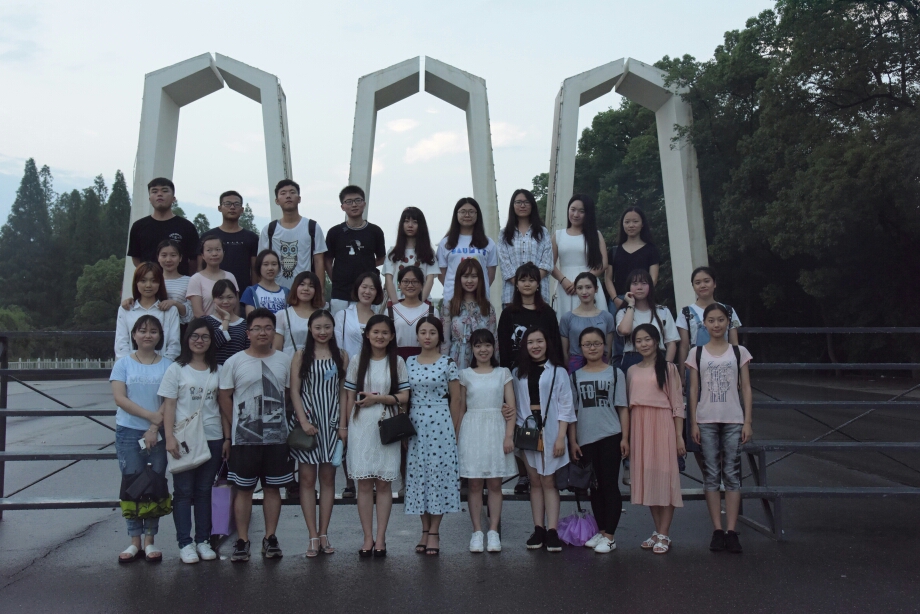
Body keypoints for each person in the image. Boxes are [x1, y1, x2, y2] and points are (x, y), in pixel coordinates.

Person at [218, 308, 294, 562]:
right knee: (243, 490)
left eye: (268, 328)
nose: (263, 333)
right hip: (244, 440)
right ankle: (242, 540)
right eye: (257, 328)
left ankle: (270, 537)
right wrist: (236, 426)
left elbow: (287, 395)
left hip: (277, 439)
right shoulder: (234, 362)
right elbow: (224, 396)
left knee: (273, 489)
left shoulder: (284, 361)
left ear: (274, 332)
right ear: (248, 333)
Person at [686, 304, 753, 554]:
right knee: (712, 475)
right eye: (711, 320)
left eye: (721, 320)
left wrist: (748, 421)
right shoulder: (696, 352)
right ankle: (717, 529)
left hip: (733, 419)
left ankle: (732, 531)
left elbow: (746, 387)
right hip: (706, 419)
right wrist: (693, 421)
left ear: (728, 322)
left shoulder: (739, 351)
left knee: (732, 475)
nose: (716, 325)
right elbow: (693, 389)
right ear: (704, 324)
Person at [341, 315, 411, 558]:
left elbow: (404, 397)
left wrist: (377, 398)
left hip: (387, 425)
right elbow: (348, 397)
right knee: (363, 484)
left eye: (385, 332)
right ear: (367, 335)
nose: (380, 336)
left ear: (391, 336)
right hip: (360, 426)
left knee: (383, 483)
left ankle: (381, 538)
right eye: (375, 332)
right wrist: (345, 427)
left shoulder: (397, 362)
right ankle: (367, 537)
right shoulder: (357, 360)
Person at [158, 318, 225, 564]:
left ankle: (203, 540)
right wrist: (169, 438)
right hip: (184, 439)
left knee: (205, 490)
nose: (199, 340)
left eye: (205, 337)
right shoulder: (176, 369)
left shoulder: (218, 369)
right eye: (195, 336)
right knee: (183, 492)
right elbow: (169, 405)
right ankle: (185, 543)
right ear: (187, 339)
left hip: (213, 436)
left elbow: (222, 405)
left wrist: (227, 438)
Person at [111, 315, 172, 563]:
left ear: (160, 336)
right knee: (132, 483)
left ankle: (150, 540)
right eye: (143, 331)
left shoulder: (168, 365)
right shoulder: (123, 364)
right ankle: (134, 540)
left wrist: (154, 426)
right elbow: (120, 398)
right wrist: (150, 417)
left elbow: (170, 399)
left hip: (158, 431)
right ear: (134, 335)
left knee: (154, 483)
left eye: (153, 331)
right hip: (128, 431)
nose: (148, 335)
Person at [289, 309, 349, 558]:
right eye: (318, 327)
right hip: (308, 422)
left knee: (328, 479)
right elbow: (294, 391)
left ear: (333, 329)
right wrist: (303, 421)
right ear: (310, 329)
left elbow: (344, 391)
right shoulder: (300, 355)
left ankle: (324, 533)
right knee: (306, 480)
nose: (322, 332)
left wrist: (343, 425)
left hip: (332, 423)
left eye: (327, 327)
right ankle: (312, 535)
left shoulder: (342, 355)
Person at [495, 262, 559, 495]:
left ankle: (547, 472)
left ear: (538, 283)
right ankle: (524, 474)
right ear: (516, 284)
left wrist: (558, 371)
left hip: (544, 375)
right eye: (523, 279)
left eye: (532, 279)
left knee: (544, 421)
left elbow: (555, 344)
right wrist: (505, 379)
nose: (527, 283)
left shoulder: (547, 313)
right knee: (519, 421)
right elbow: (503, 349)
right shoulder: (508, 313)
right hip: (517, 376)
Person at [512, 326, 576, 553]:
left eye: (539, 341)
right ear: (525, 346)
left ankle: (552, 530)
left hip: (551, 430)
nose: (535, 346)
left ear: (547, 343)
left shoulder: (558, 371)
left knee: (549, 481)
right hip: (528, 431)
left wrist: (561, 437)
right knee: (535, 481)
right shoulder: (518, 372)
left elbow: (566, 406)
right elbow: (514, 403)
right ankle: (538, 528)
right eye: (530, 342)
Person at [568, 327, 629, 554]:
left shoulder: (615, 373)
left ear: (604, 346)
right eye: (587, 344)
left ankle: (610, 536)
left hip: (610, 435)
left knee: (609, 485)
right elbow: (572, 412)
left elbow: (622, 408)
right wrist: (573, 441)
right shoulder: (575, 376)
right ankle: (601, 531)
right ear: (580, 348)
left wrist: (625, 437)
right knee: (594, 487)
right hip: (586, 438)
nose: (592, 348)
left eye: (596, 343)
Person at [405, 317, 462, 555]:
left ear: (440, 336)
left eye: (432, 332)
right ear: (417, 336)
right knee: (419, 477)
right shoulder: (408, 362)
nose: (427, 337)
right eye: (423, 332)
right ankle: (424, 530)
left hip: (441, 424)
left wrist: (454, 431)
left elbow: (456, 400)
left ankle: (435, 532)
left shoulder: (448, 362)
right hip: (415, 424)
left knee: (438, 476)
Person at [627, 324, 685, 555]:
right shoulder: (631, 371)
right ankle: (658, 530)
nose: (643, 344)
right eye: (638, 340)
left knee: (665, 477)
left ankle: (664, 533)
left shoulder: (669, 368)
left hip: (662, 424)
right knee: (649, 478)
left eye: (647, 339)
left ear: (656, 341)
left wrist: (679, 436)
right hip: (639, 425)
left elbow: (678, 404)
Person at [457, 329, 517, 553]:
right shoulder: (465, 375)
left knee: (494, 483)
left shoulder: (503, 373)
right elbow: (461, 408)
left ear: (494, 347)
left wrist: (508, 435)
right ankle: (476, 532)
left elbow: (511, 407)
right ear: (472, 349)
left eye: (487, 345)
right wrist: (456, 438)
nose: (483, 350)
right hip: (471, 430)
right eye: (478, 345)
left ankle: (493, 531)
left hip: (496, 430)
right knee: (474, 484)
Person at [676, 266, 742, 466]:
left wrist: (739, 374)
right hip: (696, 370)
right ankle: (708, 475)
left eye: (706, 281)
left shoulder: (728, 310)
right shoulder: (686, 313)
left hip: (724, 370)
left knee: (724, 420)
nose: (702, 285)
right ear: (693, 286)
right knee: (697, 422)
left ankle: (724, 472)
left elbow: (735, 344)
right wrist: (682, 375)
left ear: (715, 283)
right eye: (698, 282)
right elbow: (683, 346)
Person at [324, 185, 386, 314]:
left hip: (366, 292)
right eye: (349, 201)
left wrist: (366, 264)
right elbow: (327, 261)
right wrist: (335, 280)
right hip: (340, 293)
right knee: (339, 324)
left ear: (364, 203)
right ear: (342, 207)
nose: (354, 205)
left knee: (366, 324)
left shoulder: (375, 231)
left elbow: (381, 258)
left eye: (358, 200)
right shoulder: (335, 232)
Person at [259, 179, 327, 290]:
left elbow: (319, 261)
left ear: (299, 199)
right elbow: (261, 263)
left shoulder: (312, 227)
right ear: (277, 201)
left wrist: (320, 291)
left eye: (292, 192)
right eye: (283, 193)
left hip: (305, 291)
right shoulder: (269, 230)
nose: (288, 196)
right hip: (275, 291)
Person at [127, 177, 199, 276]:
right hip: (150, 282)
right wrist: (149, 276)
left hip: (179, 282)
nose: (159, 194)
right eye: (154, 191)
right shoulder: (138, 226)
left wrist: (183, 278)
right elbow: (136, 257)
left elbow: (194, 260)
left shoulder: (187, 227)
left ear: (173, 198)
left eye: (165, 191)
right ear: (149, 199)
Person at [551, 194, 607, 318]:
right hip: (566, 287)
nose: (576, 214)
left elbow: (603, 263)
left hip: (589, 285)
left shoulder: (596, 235)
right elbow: (550, 264)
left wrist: (584, 282)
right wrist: (563, 280)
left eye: (581, 211)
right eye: (573, 209)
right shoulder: (558, 235)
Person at [615, 269, 679, 372]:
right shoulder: (623, 312)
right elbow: (625, 330)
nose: (639, 287)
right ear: (629, 287)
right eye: (635, 284)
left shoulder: (663, 311)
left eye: (644, 283)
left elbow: (671, 343)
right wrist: (630, 304)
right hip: (632, 358)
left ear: (650, 286)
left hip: (658, 357)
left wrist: (667, 366)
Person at [437, 198, 498, 304]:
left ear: (477, 214)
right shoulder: (445, 243)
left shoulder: (488, 243)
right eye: (463, 212)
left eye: (471, 212)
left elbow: (491, 274)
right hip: (452, 299)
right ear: (456, 214)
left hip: (480, 299)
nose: (467, 215)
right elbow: (441, 274)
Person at [497, 189, 553, 307]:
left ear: (532, 205)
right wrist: (521, 285)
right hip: (511, 296)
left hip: (540, 296)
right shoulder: (504, 234)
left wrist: (531, 283)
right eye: (518, 202)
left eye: (526, 202)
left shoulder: (543, 232)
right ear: (513, 205)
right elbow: (505, 264)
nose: (522, 205)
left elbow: (546, 262)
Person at [114, 262, 180, 361]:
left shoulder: (170, 310)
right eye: (143, 281)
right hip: (131, 366)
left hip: (163, 367)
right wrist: (130, 364)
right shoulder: (126, 309)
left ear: (160, 283)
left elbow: (174, 345)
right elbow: (121, 343)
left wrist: (162, 364)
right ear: (136, 282)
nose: (148, 285)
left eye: (153, 281)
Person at [119, 240, 192, 324]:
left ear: (180, 258)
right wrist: (130, 300)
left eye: (173, 255)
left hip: (179, 325)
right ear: (158, 257)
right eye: (164, 255)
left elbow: (191, 313)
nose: (168, 260)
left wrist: (174, 303)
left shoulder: (189, 281)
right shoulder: (151, 280)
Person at [443, 258, 497, 370]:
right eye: (465, 276)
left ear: (480, 278)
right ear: (459, 278)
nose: (469, 280)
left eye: (474, 276)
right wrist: (443, 368)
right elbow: (445, 341)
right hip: (456, 362)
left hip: (482, 361)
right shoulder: (449, 306)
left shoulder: (488, 308)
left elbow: (494, 340)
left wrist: (495, 367)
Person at [199, 190, 259, 290]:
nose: (232, 207)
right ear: (219, 208)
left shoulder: (251, 237)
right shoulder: (208, 236)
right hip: (211, 292)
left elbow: (255, 270)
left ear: (242, 209)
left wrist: (253, 293)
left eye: (236, 204)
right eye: (227, 204)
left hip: (244, 292)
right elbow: (200, 267)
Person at [560, 273, 616, 372]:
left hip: (600, 365)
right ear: (576, 290)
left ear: (596, 289)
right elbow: (564, 352)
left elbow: (608, 349)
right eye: (580, 288)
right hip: (575, 366)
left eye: (588, 287)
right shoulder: (567, 318)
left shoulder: (607, 317)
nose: (584, 292)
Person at [382, 207, 437, 302]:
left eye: (415, 222)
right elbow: (388, 280)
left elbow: (430, 280)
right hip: (397, 301)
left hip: (421, 302)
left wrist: (419, 303)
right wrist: (396, 304)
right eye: (406, 221)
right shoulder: (393, 252)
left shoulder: (428, 252)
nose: (410, 225)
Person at [274, 271, 325, 356]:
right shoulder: (283, 315)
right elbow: (277, 348)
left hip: (316, 361)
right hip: (289, 361)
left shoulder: (322, 315)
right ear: (295, 287)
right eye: (302, 284)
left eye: (311, 286)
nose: (306, 289)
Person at [388, 266, 433, 360]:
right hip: (396, 359)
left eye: (415, 281)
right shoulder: (390, 311)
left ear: (422, 285)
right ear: (399, 285)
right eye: (405, 281)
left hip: (424, 359)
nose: (410, 285)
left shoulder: (431, 311)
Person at [187, 236, 239, 317]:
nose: (214, 254)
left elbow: (236, 309)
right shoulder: (196, 279)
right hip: (205, 324)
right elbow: (198, 312)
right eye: (209, 250)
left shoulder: (230, 276)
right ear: (202, 255)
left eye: (218, 249)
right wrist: (214, 324)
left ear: (223, 252)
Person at [205, 280, 249, 365]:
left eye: (230, 297)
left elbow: (248, 351)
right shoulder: (205, 321)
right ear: (213, 299)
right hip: (212, 369)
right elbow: (212, 345)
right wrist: (226, 319)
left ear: (236, 298)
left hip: (237, 369)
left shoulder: (245, 324)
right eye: (220, 298)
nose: (225, 301)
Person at [241, 249, 289, 314]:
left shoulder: (286, 292)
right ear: (259, 267)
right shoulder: (250, 291)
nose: (270, 268)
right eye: (266, 264)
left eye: (274, 264)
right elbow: (251, 318)